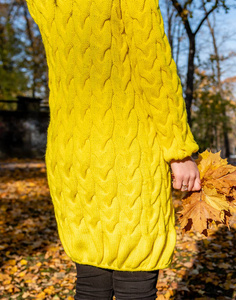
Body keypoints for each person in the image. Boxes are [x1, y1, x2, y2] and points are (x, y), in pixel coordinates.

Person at [25, 0, 201, 299]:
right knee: (135, 276)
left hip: (72, 150)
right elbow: (153, 66)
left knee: (91, 281)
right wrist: (179, 149)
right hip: (129, 149)